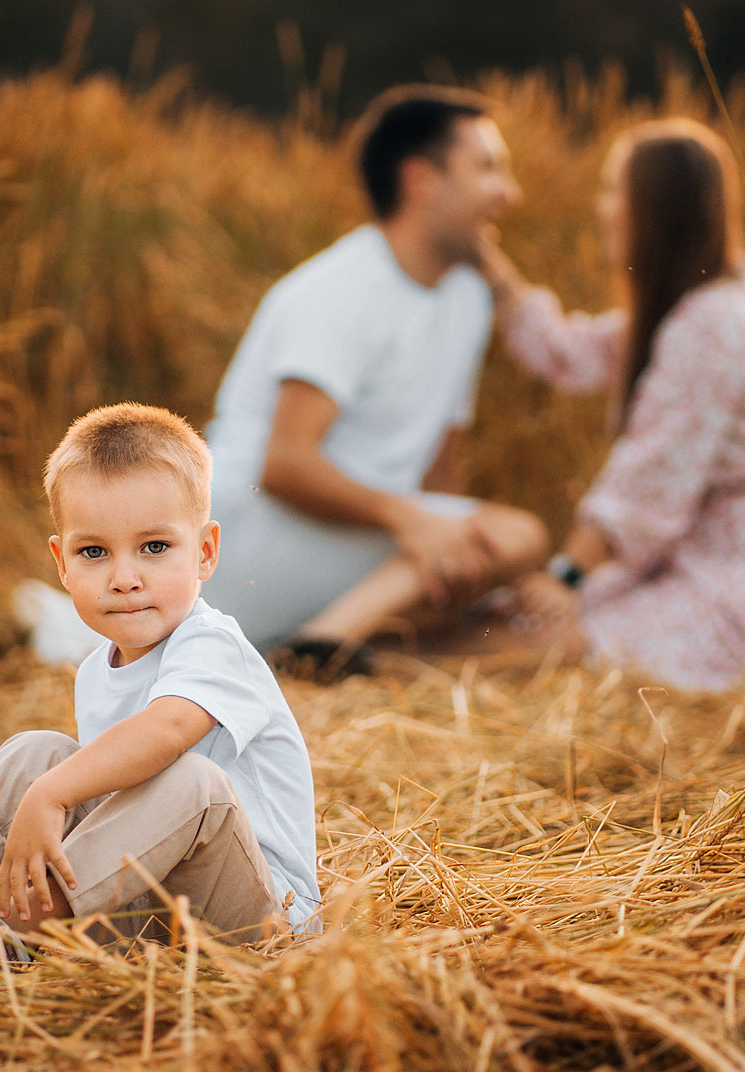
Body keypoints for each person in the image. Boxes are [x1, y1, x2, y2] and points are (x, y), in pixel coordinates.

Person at [0, 403, 321, 968]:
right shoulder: (94, 671)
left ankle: (14, 933)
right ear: (62, 563)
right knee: (37, 752)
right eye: (94, 552)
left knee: (194, 781)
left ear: (205, 552)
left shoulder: (215, 647)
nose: (124, 578)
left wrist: (51, 795)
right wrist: (48, 785)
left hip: (258, 922)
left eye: (154, 547)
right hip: (145, 913)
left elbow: (167, 731)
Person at [201, 84, 548, 670]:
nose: (508, 194)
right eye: (488, 169)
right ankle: (324, 642)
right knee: (524, 534)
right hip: (247, 540)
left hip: (354, 547)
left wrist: (487, 570)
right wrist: (412, 521)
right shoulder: (341, 288)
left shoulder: (467, 297)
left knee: (550, 638)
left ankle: (335, 658)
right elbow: (284, 464)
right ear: (422, 180)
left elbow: (441, 472)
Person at [479, 118, 745, 691]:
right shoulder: (686, 310)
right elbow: (568, 352)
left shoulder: (714, 324)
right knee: (517, 622)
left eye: (613, 190)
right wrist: (492, 268)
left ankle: (374, 667)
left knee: (557, 643)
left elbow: (649, 482)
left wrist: (567, 576)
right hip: (694, 557)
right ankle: (369, 658)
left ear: (656, 211)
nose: (602, 208)